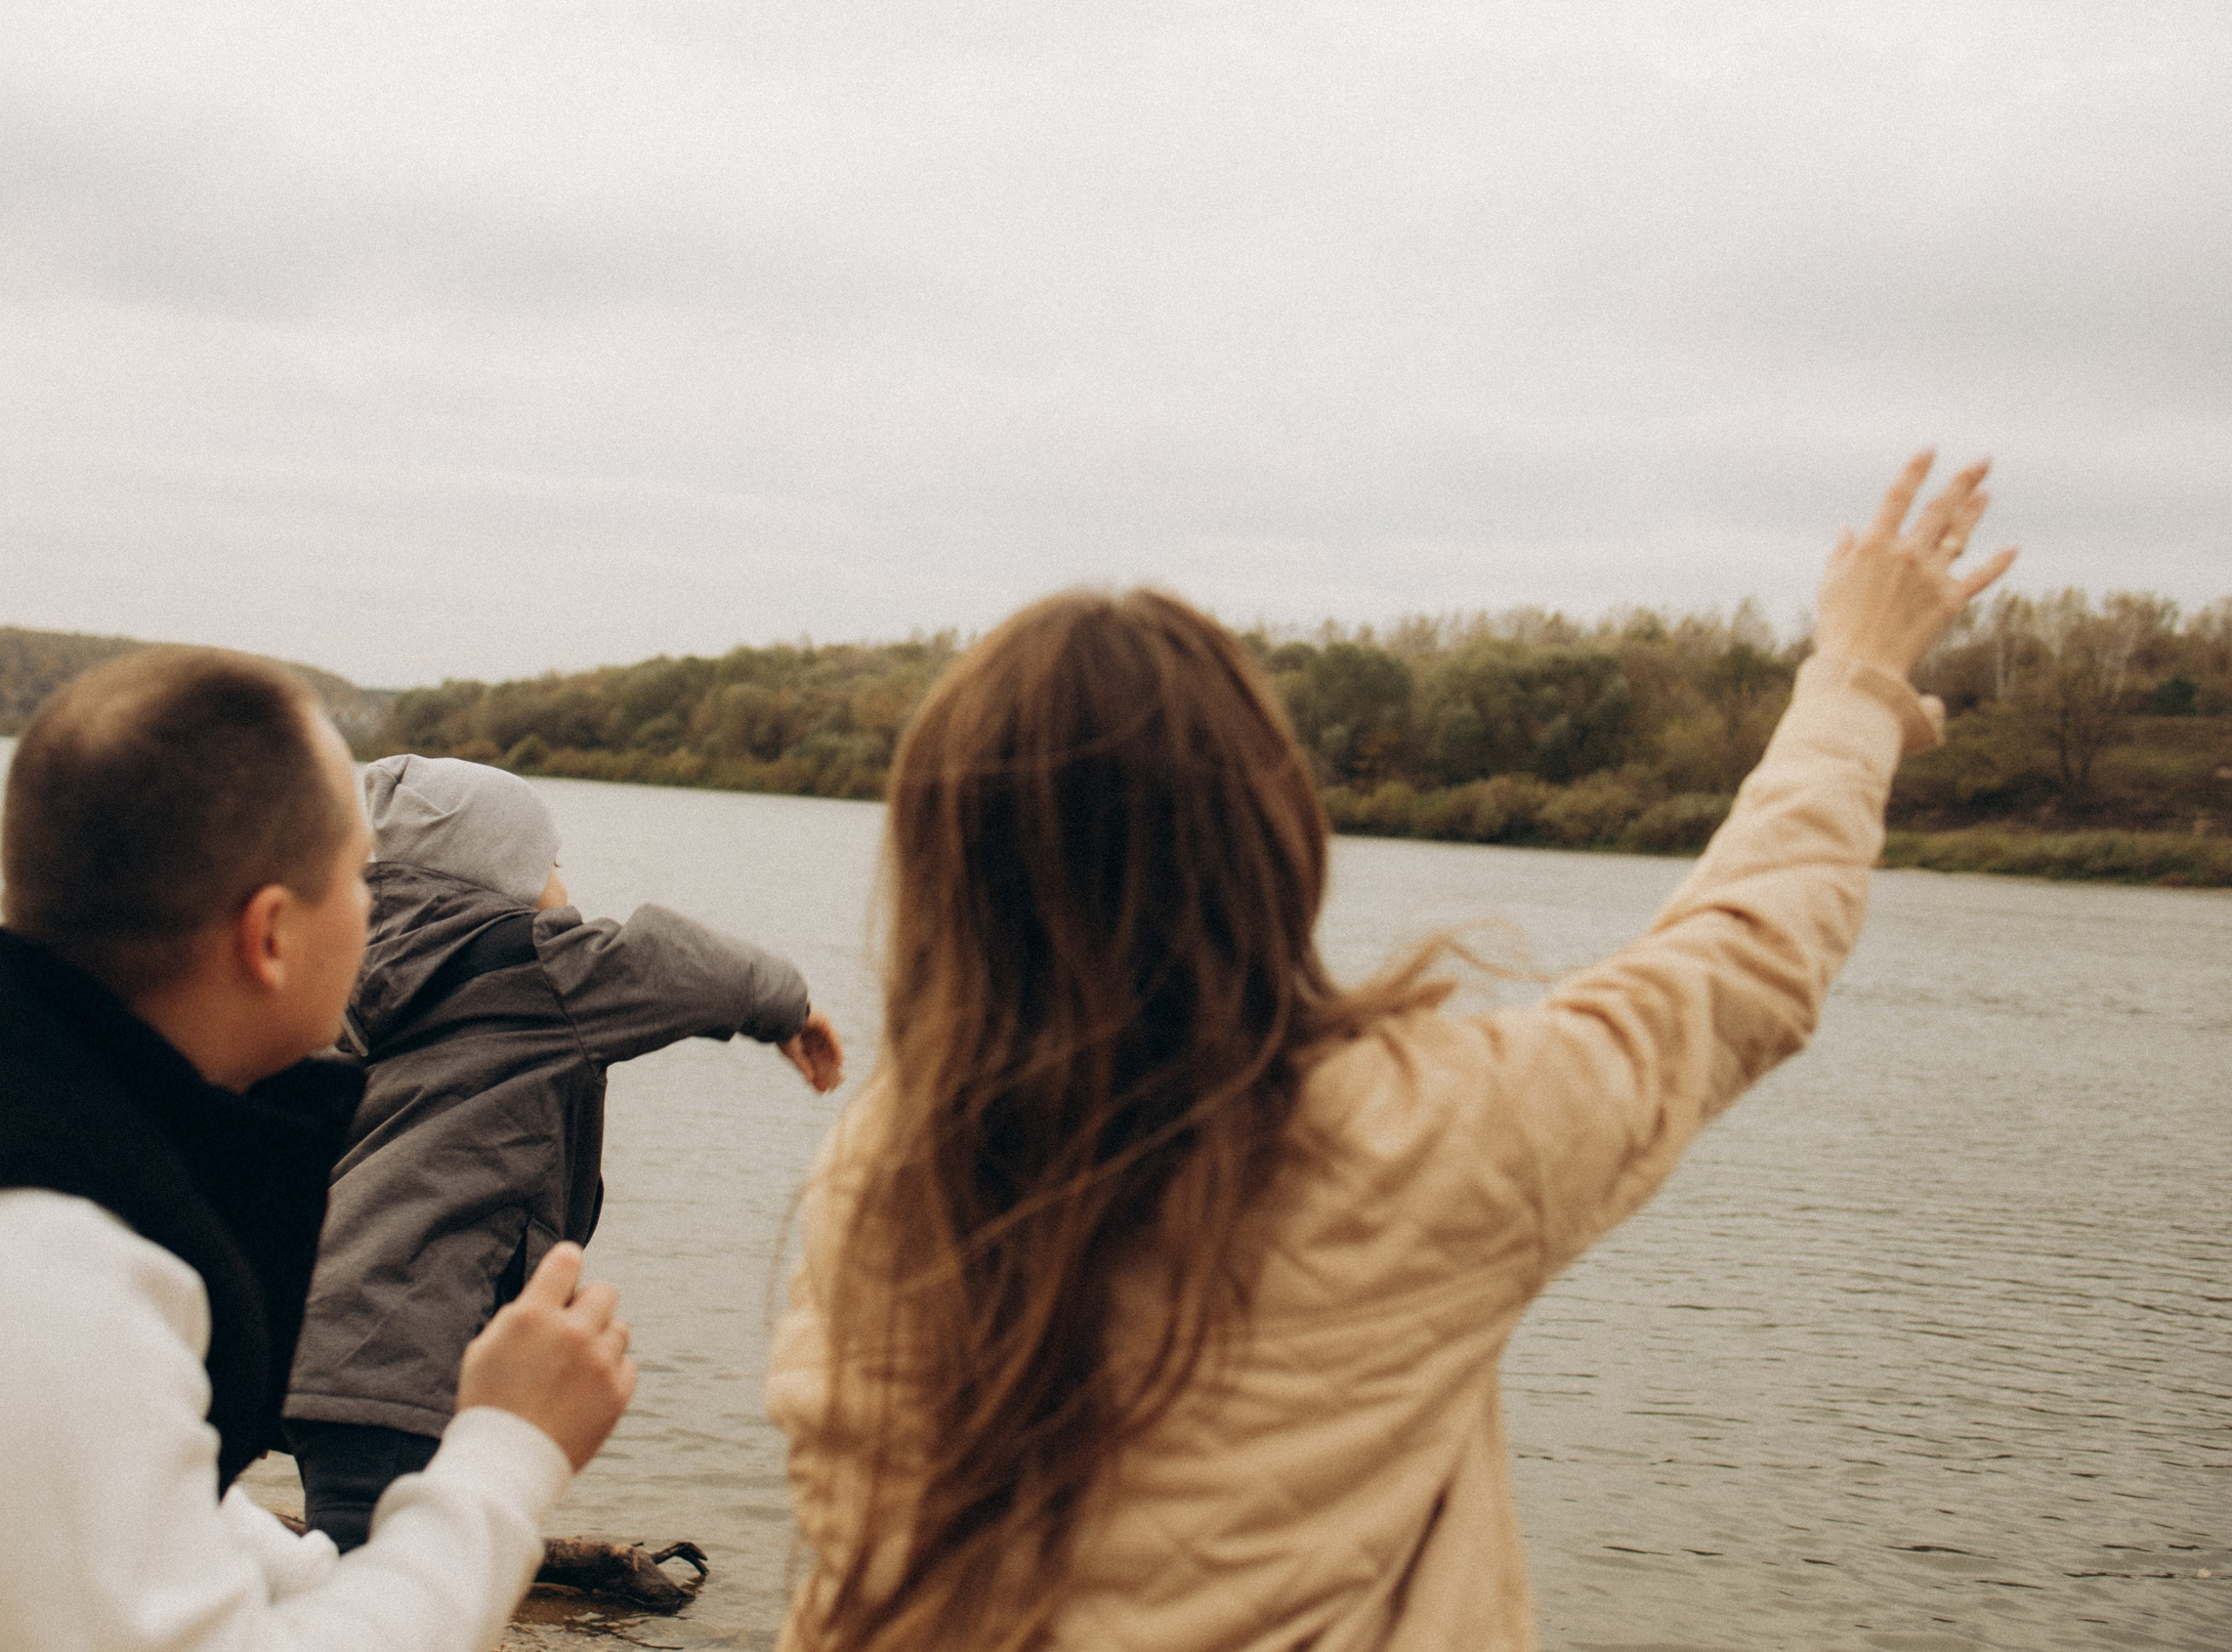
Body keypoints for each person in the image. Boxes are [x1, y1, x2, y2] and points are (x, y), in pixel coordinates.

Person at [766, 452, 2012, 1652]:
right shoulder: (1430, 1134)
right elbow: (1744, 956)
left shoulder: (876, 1183)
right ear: (1270, 837)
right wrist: (1851, 679)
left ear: (946, 876)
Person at [0, 648, 637, 1652]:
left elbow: (214, 1550)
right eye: (361, 881)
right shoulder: (5, 1250)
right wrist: (507, 1450)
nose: (378, 912)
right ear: (273, 934)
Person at [284, 753, 844, 1552]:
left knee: (364, 1557)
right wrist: (787, 1004)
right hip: (412, 1352)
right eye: (549, 860)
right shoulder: (542, 965)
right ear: (496, 873)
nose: (561, 879)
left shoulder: (350, 969)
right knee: (383, 1572)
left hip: (323, 1336)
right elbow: (677, 964)